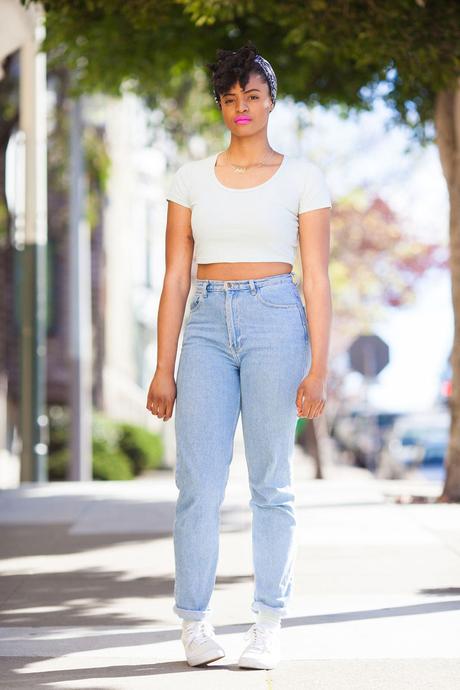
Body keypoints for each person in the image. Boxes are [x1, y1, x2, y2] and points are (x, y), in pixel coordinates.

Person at [146, 42, 332, 670]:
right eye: (230, 98)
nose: (241, 108)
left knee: (271, 484)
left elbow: (317, 279)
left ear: (271, 101)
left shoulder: (304, 178)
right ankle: (194, 625)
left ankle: (268, 625)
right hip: (203, 324)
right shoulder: (190, 179)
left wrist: (319, 367)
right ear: (221, 106)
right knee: (197, 485)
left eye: (252, 96)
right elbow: (175, 277)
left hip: (277, 321)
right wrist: (161, 366)